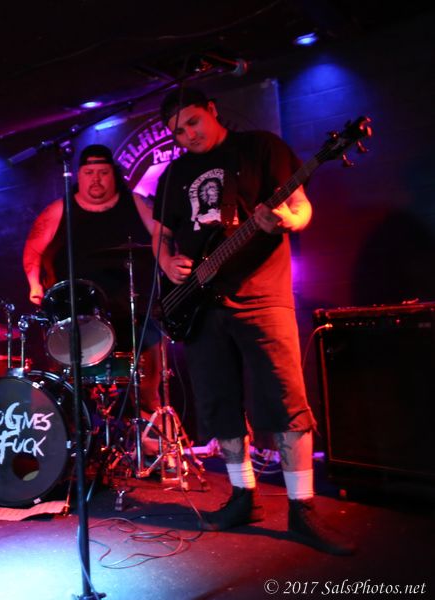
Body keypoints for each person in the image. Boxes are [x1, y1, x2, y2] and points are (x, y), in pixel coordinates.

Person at [152, 88, 354, 555]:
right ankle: (243, 496)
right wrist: (166, 262)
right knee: (218, 401)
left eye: (193, 122)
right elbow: (161, 235)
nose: (188, 135)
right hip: (200, 302)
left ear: (213, 109)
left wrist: (285, 220)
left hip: (262, 294)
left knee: (285, 397)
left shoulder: (260, 147)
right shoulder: (174, 174)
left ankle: (302, 508)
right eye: (178, 131)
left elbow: (301, 207)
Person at [23, 144, 163, 429]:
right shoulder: (60, 208)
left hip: (131, 310)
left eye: (103, 172)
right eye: (89, 173)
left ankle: (150, 436)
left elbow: (163, 237)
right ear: (79, 175)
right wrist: (34, 284)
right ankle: (73, 436)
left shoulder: (136, 203)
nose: (96, 179)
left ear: (114, 174)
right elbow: (33, 248)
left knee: (148, 381)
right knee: (70, 386)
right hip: (79, 313)